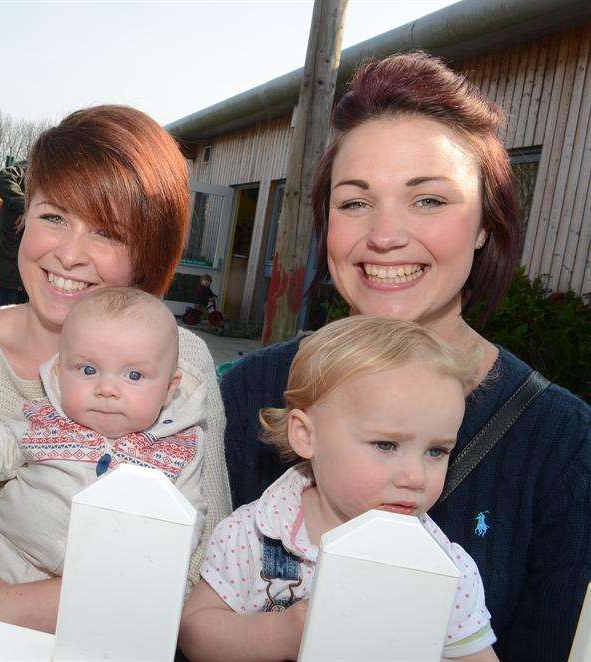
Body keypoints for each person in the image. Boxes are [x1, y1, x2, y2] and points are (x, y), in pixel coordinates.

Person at [220, 52, 589, 661]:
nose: (384, 235)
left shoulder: (561, 443)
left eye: (429, 200)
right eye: (355, 202)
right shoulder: (254, 388)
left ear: (484, 227)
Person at [0, 105, 232, 633]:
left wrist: (14, 606)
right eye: (53, 216)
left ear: (147, 253)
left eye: (107, 233)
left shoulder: (182, 360)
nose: (69, 254)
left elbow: (202, 565)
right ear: (23, 220)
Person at [182, 316, 498, 661]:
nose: (415, 476)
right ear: (306, 435)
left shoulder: (444, 568)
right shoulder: (254, 535)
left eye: (436, 451)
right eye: (386, 445)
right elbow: (194, 631)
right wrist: (283, 634)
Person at [0, 287, 206, 597]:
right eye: (88, 370)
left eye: (134, 376)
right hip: (5, 558)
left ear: (169, 387)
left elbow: (188, 515)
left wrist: (145, 561)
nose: (107, 388)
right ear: (59, 372)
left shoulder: (180, 446)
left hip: (101, 588)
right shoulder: (43, 419)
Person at [0, 159, 29, 305]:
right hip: (10, 263)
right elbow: (2, 179)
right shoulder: (32, 167)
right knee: (6, 307)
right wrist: (28, 206)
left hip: (28, 270)